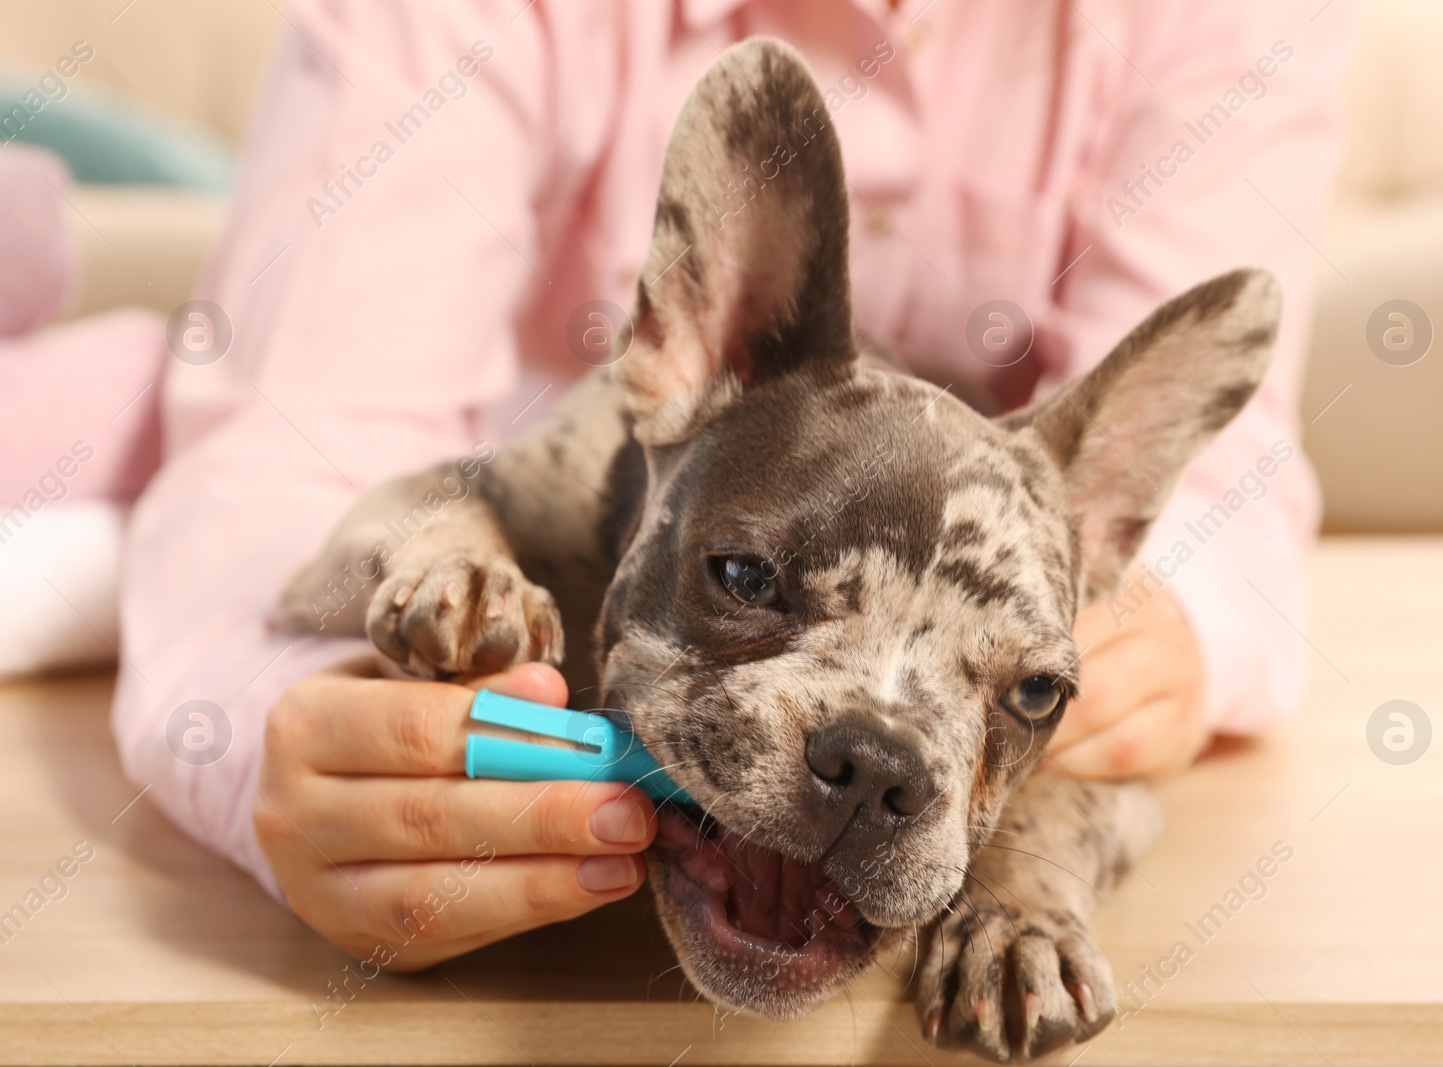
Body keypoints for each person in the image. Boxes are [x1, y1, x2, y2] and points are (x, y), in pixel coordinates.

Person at [111, 0, 1351, 966]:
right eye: (751, 583)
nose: (868, 773)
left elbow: (1227, 494)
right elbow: (306, 433)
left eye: (1026, 684)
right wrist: (284, 727)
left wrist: (1168, 615)